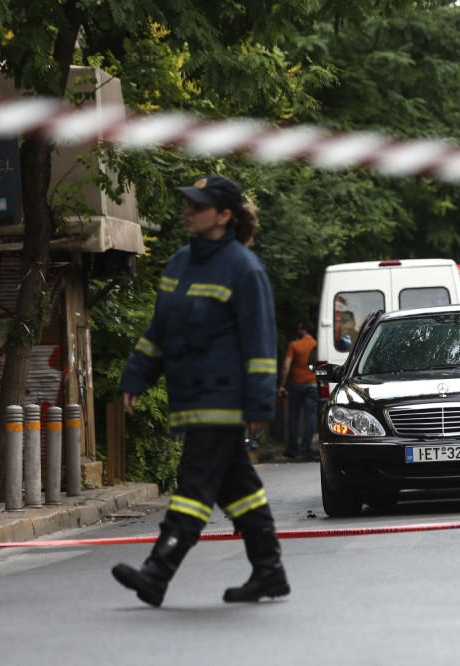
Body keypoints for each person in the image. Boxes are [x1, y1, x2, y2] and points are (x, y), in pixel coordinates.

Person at [112, 175, 290, 607]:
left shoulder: (244, 269)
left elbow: (261, 344)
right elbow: (160, 331)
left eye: (199, 205)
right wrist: (137, 374)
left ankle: (158, 571)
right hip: (189, 398)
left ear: (224, 216)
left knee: (193, 485)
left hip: (223, 400)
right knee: (236, 487)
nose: (188, 210)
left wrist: (259, 403)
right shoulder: (178, 263)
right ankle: (269, 571)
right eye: (188, 203)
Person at [279, 321, 318, 459]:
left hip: (296, 384)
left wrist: (282, 385)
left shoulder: (294, 345)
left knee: (294, 417)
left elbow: (286, 366)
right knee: (310, 417)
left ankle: (292, 450)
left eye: (299, 328)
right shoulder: (316, 345)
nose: (297, 330)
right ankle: (305, 450)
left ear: (304, 330)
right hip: (313, 384)